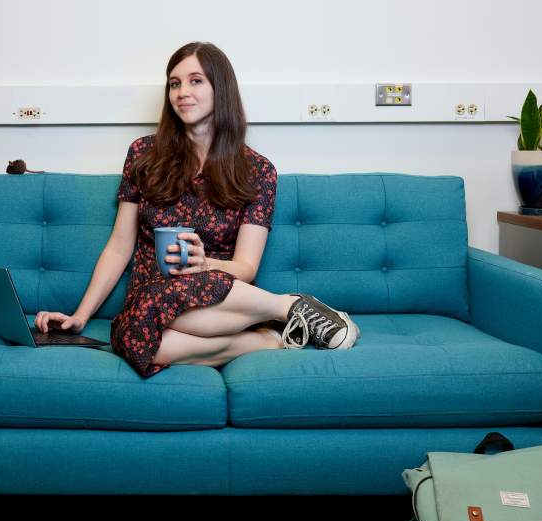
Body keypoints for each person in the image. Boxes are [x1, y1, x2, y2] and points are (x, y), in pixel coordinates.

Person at [35, 41, 359, 378]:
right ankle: (273, 334)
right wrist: (80, 316)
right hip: (151, 295)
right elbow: (119, 246)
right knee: (132, 339)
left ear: (221, 88)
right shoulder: (143, 155)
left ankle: (290, 306)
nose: (181, 92)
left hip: (216, 290)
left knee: (170, 303)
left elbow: (245, 267)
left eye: (195, 80)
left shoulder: (258, 171)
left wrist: (207, 264)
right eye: (174, 83)